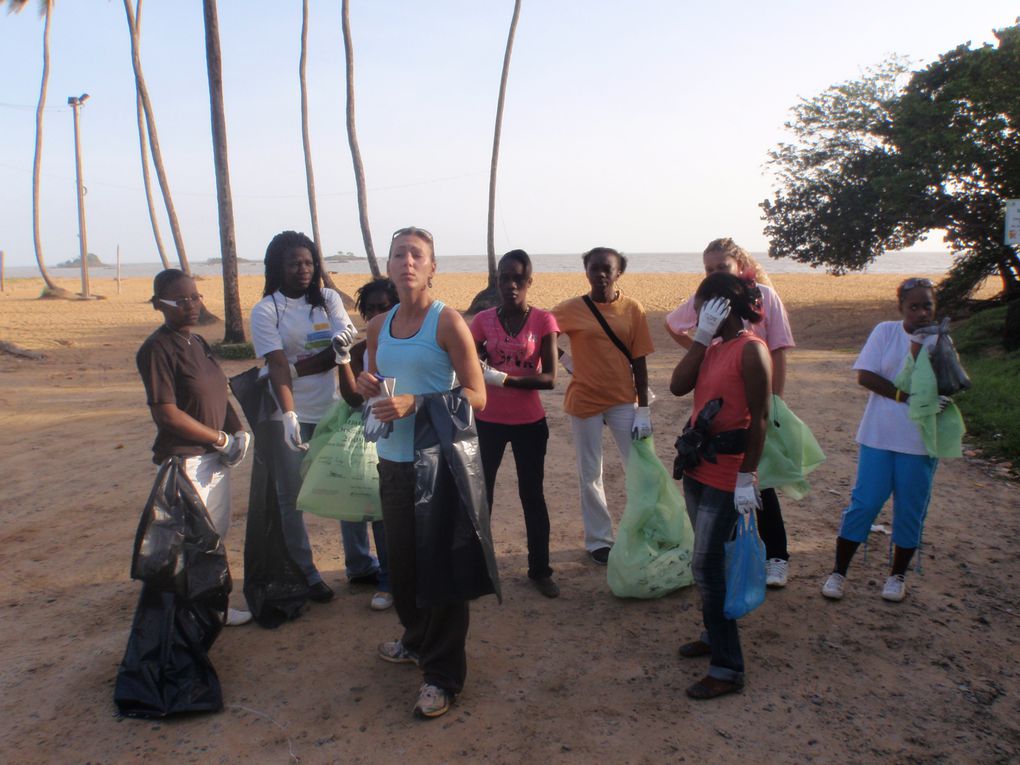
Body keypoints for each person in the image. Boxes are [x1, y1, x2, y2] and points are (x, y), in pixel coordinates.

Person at [356, 226, 488, 720]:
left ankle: (442, 675)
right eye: (398, 255)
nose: (407, 262)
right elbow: (375, 389)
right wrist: (364, 384)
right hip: (392, 463)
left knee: (443, 568)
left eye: (417, 255)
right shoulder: (378, 326)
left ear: (433, 267)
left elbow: (478, 395)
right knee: (405, 564)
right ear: (387, 267)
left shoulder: (447, 322)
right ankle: (415, 640)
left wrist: (419, 402)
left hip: (440, 464)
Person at [665, 238, 795, 588]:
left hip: (756, 397)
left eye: (721, 268)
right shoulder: (710, 311)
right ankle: (734, 562)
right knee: (742, 491)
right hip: (719, 396)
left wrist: (775, 401)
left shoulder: (764, 300)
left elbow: (779, 349)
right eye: (709, 269)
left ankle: (776, 556)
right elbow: (677, 377)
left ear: (739, 266)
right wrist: (703, 341)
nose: (715, 274)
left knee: (759, 482)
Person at [669, 271, 772, 700]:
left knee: (706, 568)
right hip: (697, 470)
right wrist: (702, 337)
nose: (696, 315)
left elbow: (761, 419)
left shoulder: (751, 351)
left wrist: (748, 477)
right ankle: (715, 635)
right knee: (711, 565)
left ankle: (728, 667)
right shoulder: (712, 348)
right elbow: (678, 386)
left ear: (720, 306)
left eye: (702, 308)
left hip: (728, 476)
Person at [136, 269, 252, 627]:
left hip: (214, 460)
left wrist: (237, 431)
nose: (191, 305)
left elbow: (219, 391)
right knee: (189, 543)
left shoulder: (198, 342)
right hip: (185, 463)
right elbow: (167, 414)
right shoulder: (157, 349)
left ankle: (213, 607)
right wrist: (217, 438)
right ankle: (191, 615)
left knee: (214, 536)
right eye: (181, 300)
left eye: (196, 297)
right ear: (159, 305)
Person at [821, 277, 948, 603]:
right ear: (901, 308)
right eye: (914, 306)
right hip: (878, 436)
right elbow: (866, 376)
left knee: (910, 509)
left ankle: (897, 575)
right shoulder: (886, 332)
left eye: (927, 306)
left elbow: (950, 383)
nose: (922, 312)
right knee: (864, 503)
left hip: (919, 442)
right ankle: (838, 571)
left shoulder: (940, 341)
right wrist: (905, 396)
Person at [250, 231, 355, 605]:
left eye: (309, 262)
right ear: (277, 266)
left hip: (333, 409)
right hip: (290, 414)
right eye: (294, 263)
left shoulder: (327, 299)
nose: (303, 269)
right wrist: (290, 413)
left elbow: (344, 342)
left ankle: (359, 564)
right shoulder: (267, 310)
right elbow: (276, 363)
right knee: (291, 497)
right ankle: (307, 573)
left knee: (349, 486)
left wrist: (300, 366)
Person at [552, 247, 654, 564]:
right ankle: (599, 540)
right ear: (586, 271)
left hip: (624, 399)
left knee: (641, 469)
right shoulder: (570, 309)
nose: (600, 274)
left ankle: (645, 532)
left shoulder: (633, 309)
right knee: (590, 473)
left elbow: (639, 359)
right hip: (584, 401)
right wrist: (566, 360)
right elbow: (539, 333)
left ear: (618, 272)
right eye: (594, 268)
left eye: (606, 269)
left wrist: (643, 407)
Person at [470, 250, 560, 598]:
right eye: (504, 278)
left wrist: (503, 380)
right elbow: (470, 364)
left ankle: (540, 570)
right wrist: (481, 371)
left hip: (529, 423)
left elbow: (549, 378)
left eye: (518, 279)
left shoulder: (543, 321)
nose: (511, 285)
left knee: (532, 495)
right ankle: (479, 568)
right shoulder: (482, 321)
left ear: (529, 282)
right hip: (487, 421)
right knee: (483, 496)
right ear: (496, 281)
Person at [335, 277, 400, 611]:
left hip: (410, 436)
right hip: (372, 435)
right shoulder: (362, 350)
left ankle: (407, 575)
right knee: (378, 509)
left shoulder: (409, 343)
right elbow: (351, 398)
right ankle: (387, 580)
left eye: (383, 307)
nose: (376, 314)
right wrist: (344, 359)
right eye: (370, 309)